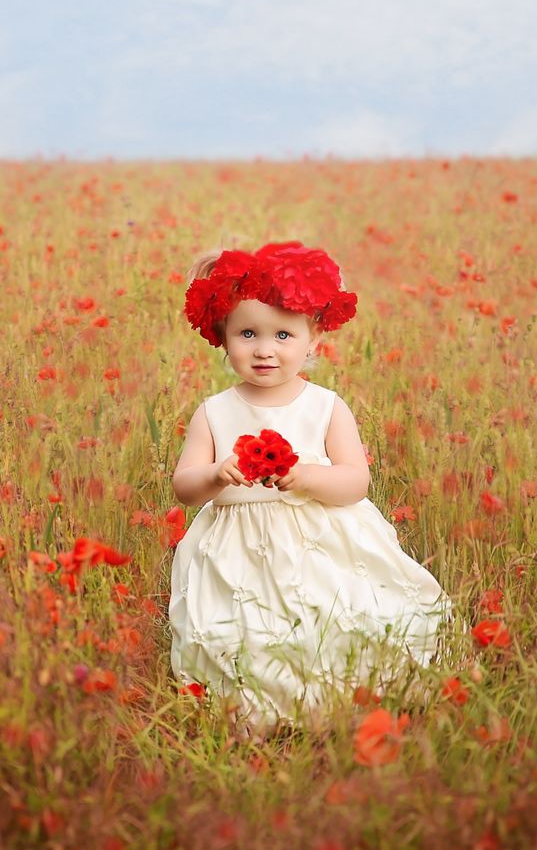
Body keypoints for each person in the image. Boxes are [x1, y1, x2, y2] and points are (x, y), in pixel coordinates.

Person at [168, 242, 450, 731]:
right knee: (245, 633)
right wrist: (215, 474)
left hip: (320, 538)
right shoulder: (213, 411)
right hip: (239, 550)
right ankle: (259, 709)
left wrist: (308, 477)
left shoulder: (326, 406)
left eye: (282, 334)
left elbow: (355, 482)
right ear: (223, 337)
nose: (264, 349)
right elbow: (184, 487)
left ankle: (345, 698)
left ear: (312, 339)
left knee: (345, 617)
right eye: (247, 333)